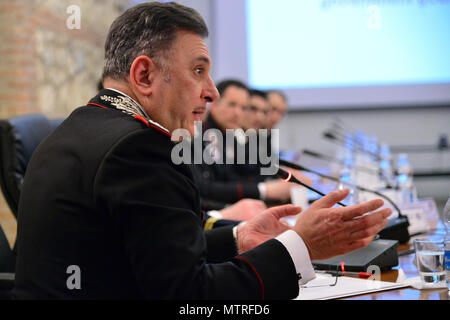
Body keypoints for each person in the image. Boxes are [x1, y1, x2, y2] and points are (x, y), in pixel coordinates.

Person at [13, 2, 391, 299]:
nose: (211, 91)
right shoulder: (140, 149)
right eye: (198, 71)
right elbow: (192, 296)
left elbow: (148, 255)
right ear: (144, 75)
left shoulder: (78, 127)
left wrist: (237, 237)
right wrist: (301, 244)